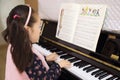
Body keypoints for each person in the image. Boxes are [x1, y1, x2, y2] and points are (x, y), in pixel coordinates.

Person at [2, 5, 71, 80]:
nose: (41, 31)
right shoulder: (28, 56)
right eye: (39, 27)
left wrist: (45, 58)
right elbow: (46, 78)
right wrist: (58, 65)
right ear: (27, 30)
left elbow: (32, 67)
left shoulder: (15, 45)